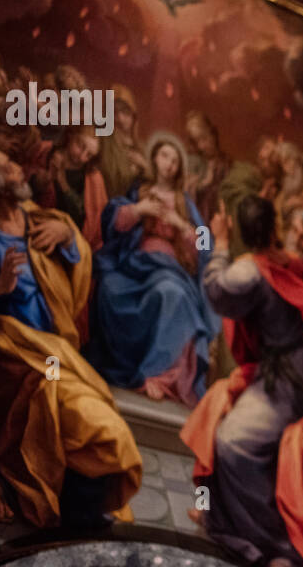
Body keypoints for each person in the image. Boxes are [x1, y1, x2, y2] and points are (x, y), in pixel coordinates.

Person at [0, 146, 142, 527]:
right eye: (9, 168)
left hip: (52, 349)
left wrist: (69, 236)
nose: (19, 170)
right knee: (70, 408)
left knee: (91, 415)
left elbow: (74, 257)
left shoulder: (32, 216)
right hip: (7, 351)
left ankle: (73, 508)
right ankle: (57, 503)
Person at [180, 195, 303, 567]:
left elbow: (217, 291)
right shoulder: (277, 262)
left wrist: (217, 243)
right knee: (219, 408)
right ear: (274, 228)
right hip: (283, 373)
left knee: (235, 441)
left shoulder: (256, 269)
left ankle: (283, 552)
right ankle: (225, 522)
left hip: (299, 380)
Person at [84, 133, 218, 406]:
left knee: (172, 294)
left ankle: (161, 375)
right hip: (134, 265)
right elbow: (112, 221)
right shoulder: (139, 191)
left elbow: (206, 242)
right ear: (155, 158)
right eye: (165, 156)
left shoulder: (183, 202)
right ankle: (122, 364)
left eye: (175, 160)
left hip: (168, 268)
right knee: (109, 287)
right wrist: (138, 210)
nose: (169, 164)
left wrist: (180, 225)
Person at [31, 122, 108, 252]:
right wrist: (45, 179)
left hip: (68, 241)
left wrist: (62, 182)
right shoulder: (44, 151)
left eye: (89, 155)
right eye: (80, 146)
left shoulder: (93, 178)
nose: (82, 156)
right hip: (35, 224)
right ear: (70, 136)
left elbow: (85, 221)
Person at [97, 83, 149, 198]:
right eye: (114, 113)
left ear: (133, 116)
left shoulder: (141, 147)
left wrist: (145, 166)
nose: (120, 118)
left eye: (125, 113)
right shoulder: (102, 143)